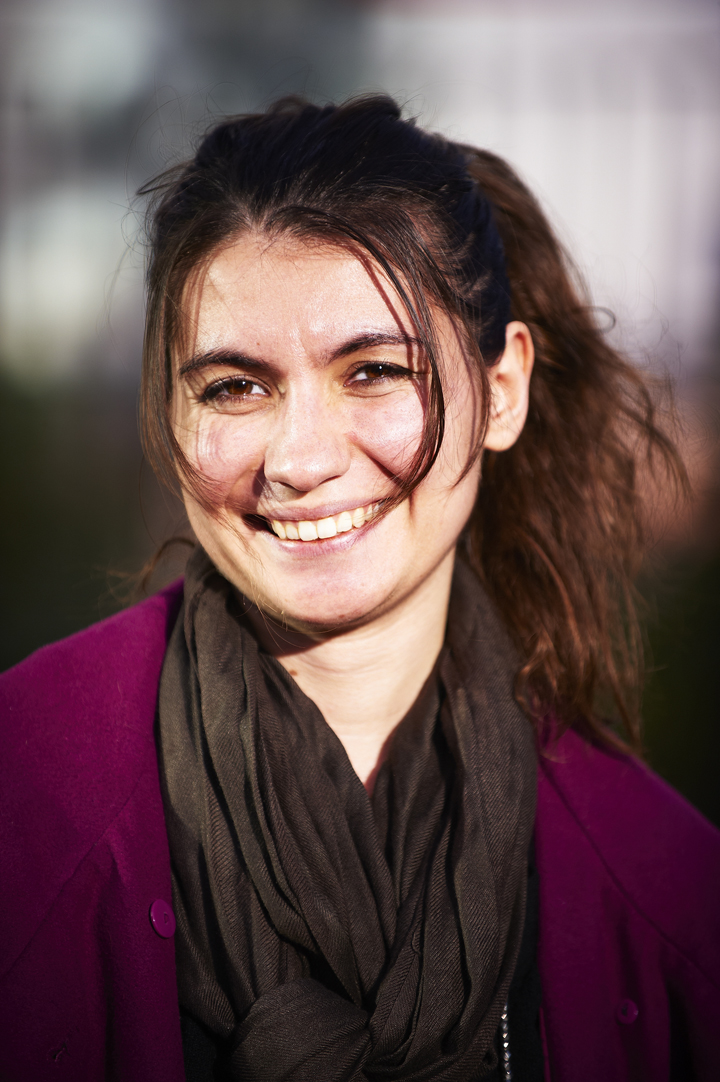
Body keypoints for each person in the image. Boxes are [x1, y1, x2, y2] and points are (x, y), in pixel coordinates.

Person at [1, 95, 718, 1082]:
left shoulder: (671, 906)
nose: (300, 461)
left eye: (374, 371)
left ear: (501, 391)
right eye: (235, 387)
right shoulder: (25, 799)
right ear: (166, 412)